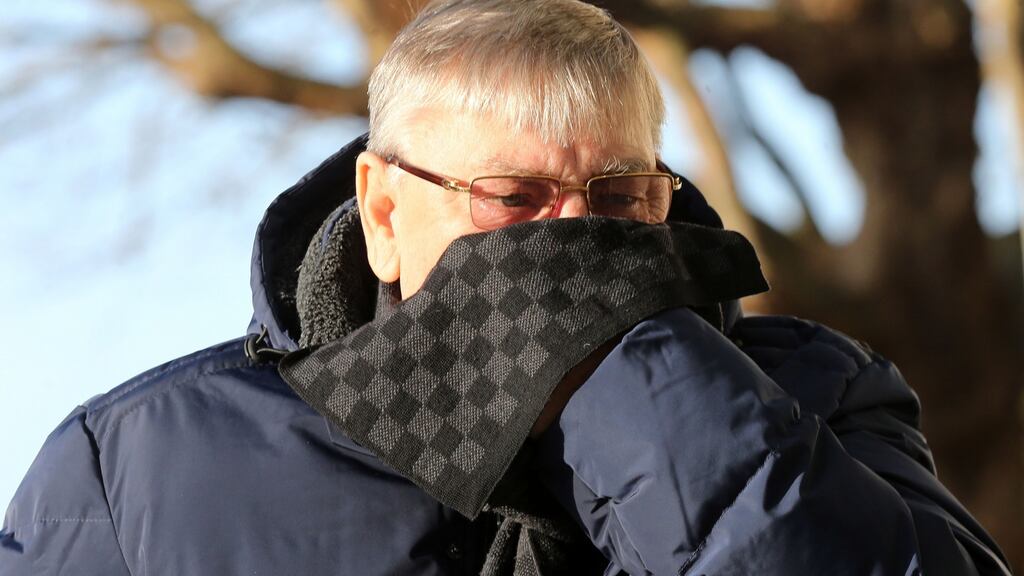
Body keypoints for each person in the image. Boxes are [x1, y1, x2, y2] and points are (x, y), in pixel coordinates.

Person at [0, 0, 1012, 574]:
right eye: (512, 198)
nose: (568, 243)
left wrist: (636, 369)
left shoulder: (821, 394)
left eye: (616, 198)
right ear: (385, 214)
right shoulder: (136, 467)